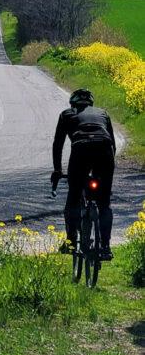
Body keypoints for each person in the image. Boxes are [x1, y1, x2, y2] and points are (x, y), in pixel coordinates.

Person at [52, 88, 116, 261]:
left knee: (73, 197)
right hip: (105, 150)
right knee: (104, 203)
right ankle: (106, 248)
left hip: (81, 150)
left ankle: (71, 241)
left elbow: (58, 144)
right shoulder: (103, 113)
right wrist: (107, 172)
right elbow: (113, 144)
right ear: (91, 104)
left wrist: (57, 170)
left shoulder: (67, 114)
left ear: (73, 104)